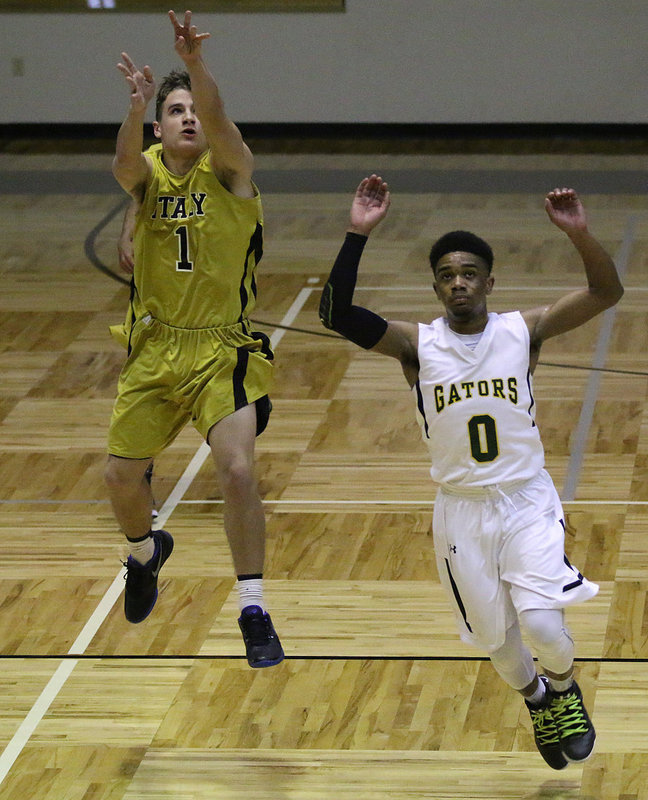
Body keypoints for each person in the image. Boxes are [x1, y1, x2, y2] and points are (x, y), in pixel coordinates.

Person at [319, 175, 623, 768]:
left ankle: (563, 691)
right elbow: (336, 312)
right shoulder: (416, 344)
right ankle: (536, 698)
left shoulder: (522, 330)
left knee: (541, 621)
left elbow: (605, 291)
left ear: (488, 281)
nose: (458, 282)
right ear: (436, 286)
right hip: (461, 510)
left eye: (469, 273)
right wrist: (358, 233)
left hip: (526, 498)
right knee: (498, 644)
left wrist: (580, 235)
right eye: (446, 275)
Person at [105, 9, 283, 669]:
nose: (189, 118)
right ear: (159, 126)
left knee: (237, 470)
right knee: (121, 477)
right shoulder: (147, 174)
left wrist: (197, 67)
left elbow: (220, 117)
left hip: (222, 349)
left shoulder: (231, 170)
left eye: (195, 111)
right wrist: (132, 106)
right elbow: (125, 164)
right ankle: (146, 552)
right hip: (156, 348)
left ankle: (253, 607)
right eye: (175, 110)